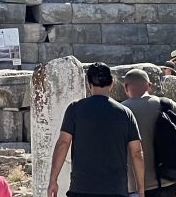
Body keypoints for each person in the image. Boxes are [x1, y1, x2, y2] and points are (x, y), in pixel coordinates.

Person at [45, 63, 143, 197]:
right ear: (112, 83)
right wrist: (141, 189)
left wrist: (53, 180)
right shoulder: (126, 114)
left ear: (89, 84)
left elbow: (63, 144)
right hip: (115, 189)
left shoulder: (75, 109)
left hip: (82, 188)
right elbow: (137, 153)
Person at [121, 68, 176, 197]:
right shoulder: (167, 105)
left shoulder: (121, 111)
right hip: (167, 181)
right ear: (149, 86)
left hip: (135, 186)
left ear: (125, 87)